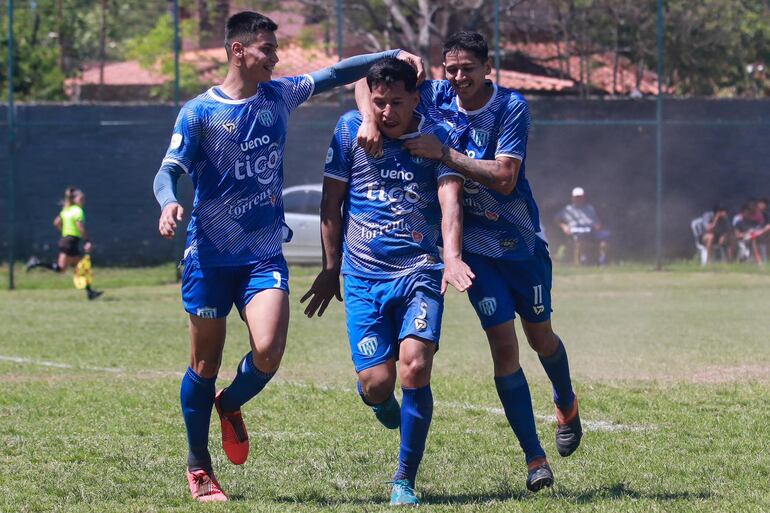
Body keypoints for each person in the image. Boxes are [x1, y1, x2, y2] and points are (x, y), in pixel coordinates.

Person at [151, 11, 424, 502]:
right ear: (239, 51)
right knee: (204, 362)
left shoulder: (280, 94)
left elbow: (340, 73)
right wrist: (169, 200)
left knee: (269, 350)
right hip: (209, 257)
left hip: (262, 255)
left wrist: (389, 56)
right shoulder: (199, 113)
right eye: (266, 49)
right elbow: (167, 170)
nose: (276, 58)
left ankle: (229, 404)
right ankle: (199, 466)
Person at [355, 31, 581, 492]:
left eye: (468, 70)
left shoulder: (511, 108)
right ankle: (535, 460)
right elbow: (367, 82)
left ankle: (566, 400)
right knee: (503, 346)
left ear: (487, 67)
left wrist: (446, 153)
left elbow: (504, 176)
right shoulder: (437, 94)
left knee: (541, 338)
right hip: (476, 252)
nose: (458, 78)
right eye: (451, 69)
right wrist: (370, 118)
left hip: (520, 244)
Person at [301, 58, 472, 506]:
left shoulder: (436, 136)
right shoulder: (349, 131)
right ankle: (379, 401)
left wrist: (451, 257)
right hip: (362, 277)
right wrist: (330, 267)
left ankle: (404, 480)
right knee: (377, 382)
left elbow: (450, 201)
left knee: (415, 366)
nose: (388, 112)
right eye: (380, 103)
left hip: (419, 270)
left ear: (416, 98)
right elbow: (331, 201)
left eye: (398, 102)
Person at [26, 187, 103, 300]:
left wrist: (65, 232)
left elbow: (56, 222)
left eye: (83, 199)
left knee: (62, 268)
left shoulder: (66, 210)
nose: (83, 201)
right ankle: (90, 292)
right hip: (71, 242)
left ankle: (36, 262)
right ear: (74, 199)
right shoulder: (78, 211)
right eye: (80, 198)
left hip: (65, 241)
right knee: (79, 267)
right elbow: (80, 227)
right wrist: (87, 241)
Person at [556, 187, 610, 265]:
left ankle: (602, 260)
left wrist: (597, 225)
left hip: (590, 230)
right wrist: (564, 226)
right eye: (577, 197)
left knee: (605, 235)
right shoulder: (568, 209)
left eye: (580, 197)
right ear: (572, 198)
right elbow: (556, 219)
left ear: (583, 197)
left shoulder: (589, 208)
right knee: (580, 237)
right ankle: (583, 259)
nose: (579, 199)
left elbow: (597, 222)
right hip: (576, 231)